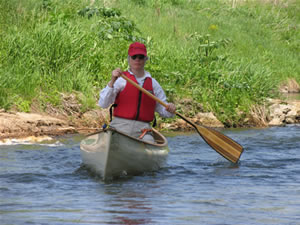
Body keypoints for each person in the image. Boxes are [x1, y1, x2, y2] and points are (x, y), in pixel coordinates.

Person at [99, 42, 176, 142]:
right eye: (134, 57)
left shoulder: (153, 83)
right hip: (119, 126)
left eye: (141, 57)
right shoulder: (121, 80)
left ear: (145, 59)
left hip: (143, 130)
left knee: (149, 143)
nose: (137, 60)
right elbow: (103, 103)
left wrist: (170, 109)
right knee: (109, 140)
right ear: (129, 59)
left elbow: (165, 112)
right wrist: (112, 80)